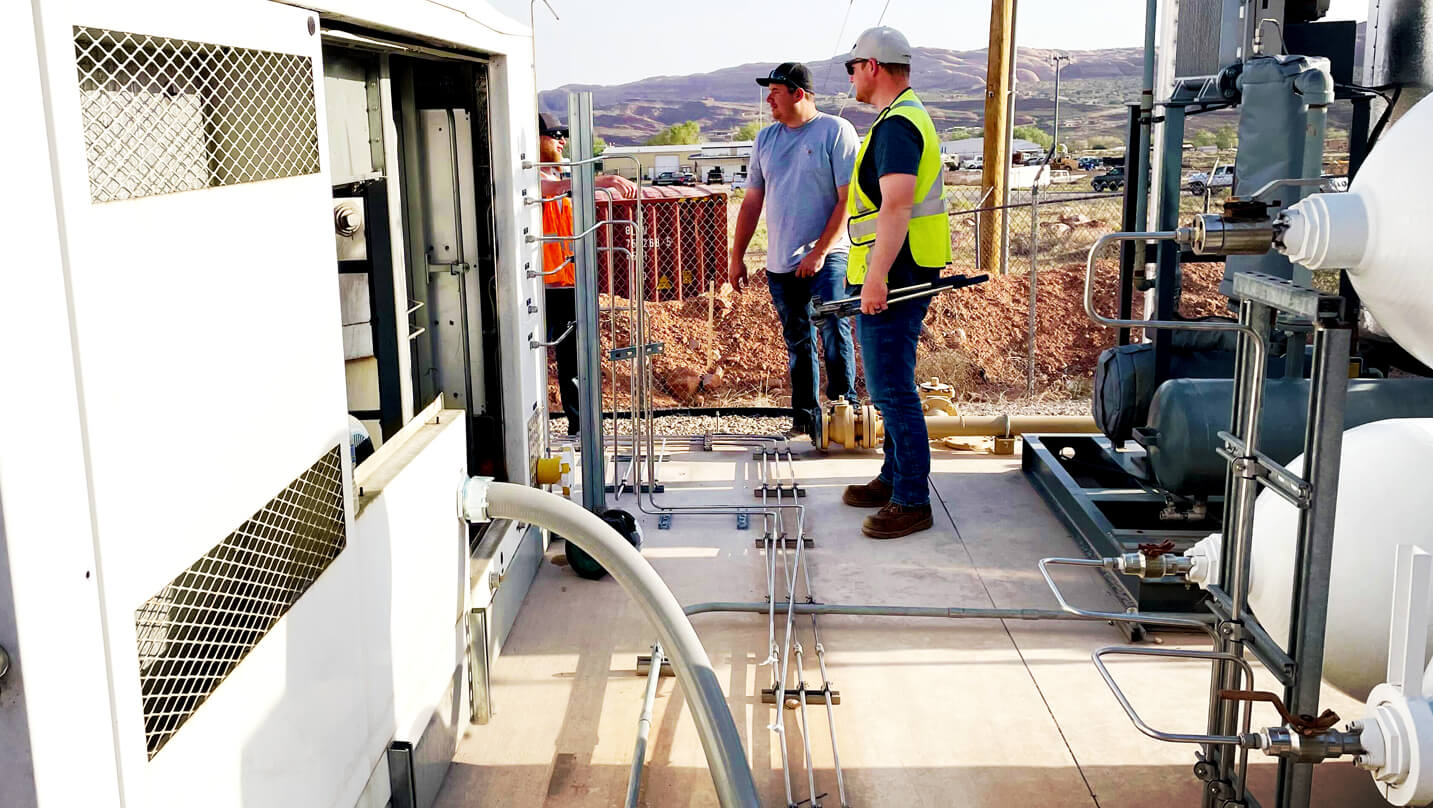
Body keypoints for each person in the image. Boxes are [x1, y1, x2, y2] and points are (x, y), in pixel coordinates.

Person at [838, 27, 952, 539]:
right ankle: (893, 478)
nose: (851, 77)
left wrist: (876, 277)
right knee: (888, 386)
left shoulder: (898, 125)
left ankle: (911, 499)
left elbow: (897, 206)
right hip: (899, 268)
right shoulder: (898, 118)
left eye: (853, 66)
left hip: (897, 273)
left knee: (892, 389)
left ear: (873, 66)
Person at [728, 62, 860, 440]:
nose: (769, 99)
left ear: (798, 94)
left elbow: (847, 200)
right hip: (781, 263)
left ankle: (845, 412)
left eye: (775, 92)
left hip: (829, 256)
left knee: (833, 329)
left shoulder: (836, 131)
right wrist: (737, 257)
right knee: (798, 341)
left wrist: (819, 252)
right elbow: (752, 202)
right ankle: (805, 420)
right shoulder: (765, 140)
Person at [537, 112, 636, 435]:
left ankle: (580, 424)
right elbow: (551, 187)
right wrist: (602, 181)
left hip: (567, 281)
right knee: (540, 353)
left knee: (574, 357)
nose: (562, 141)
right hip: (543, 284)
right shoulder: (531, 176)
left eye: (563, 135)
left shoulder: (559, 173)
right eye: (555, 135)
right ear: (536, 139)